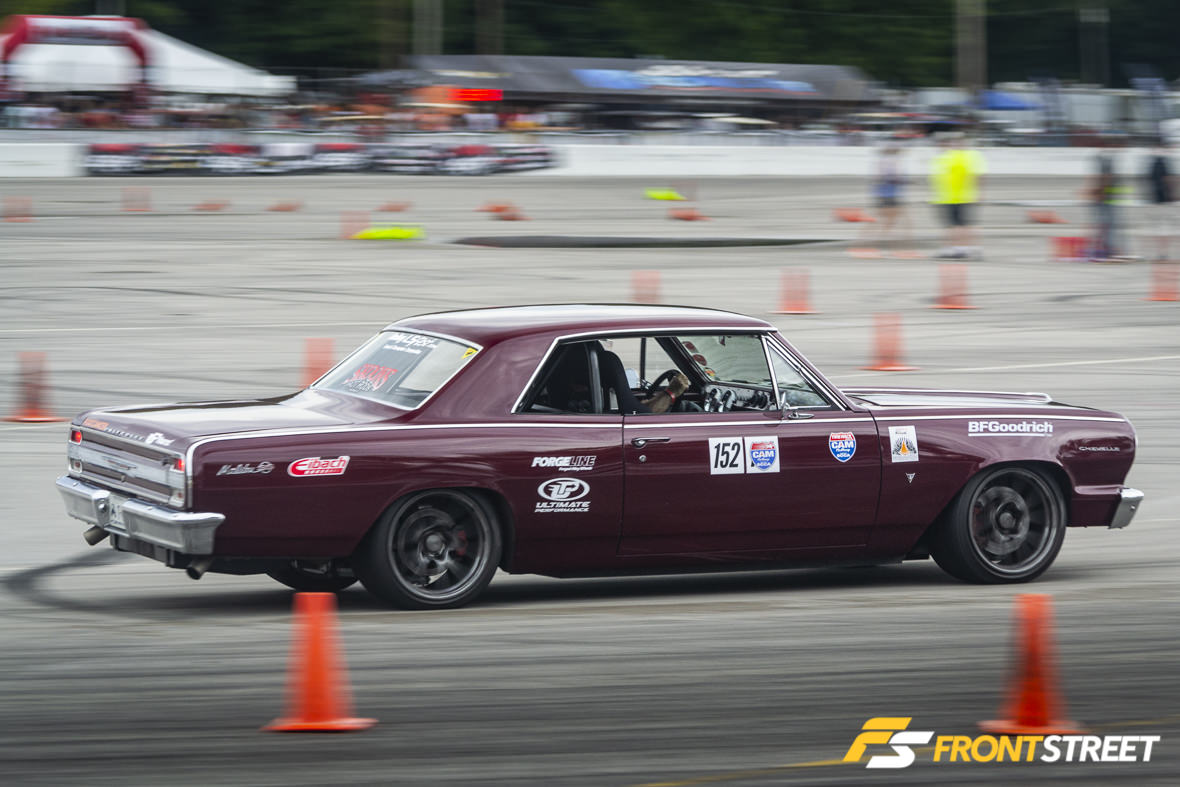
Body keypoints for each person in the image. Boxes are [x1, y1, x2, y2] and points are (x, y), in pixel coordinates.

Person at [929, 133, 986, 259]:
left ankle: (963, 248)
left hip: (959, 197)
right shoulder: (945, 157)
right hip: (947, 197)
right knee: (955, 225)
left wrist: (979, 193)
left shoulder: (963, 157)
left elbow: (977, 175)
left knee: (959, 225)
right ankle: (958, 248)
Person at [1144, 143, 1175, 261]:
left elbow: (1151, 180)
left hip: (1158, 200)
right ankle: (1163, 252)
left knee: (1160, 228)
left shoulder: (1154, 163)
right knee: (1163, 228)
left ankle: (1162, 252)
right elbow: (1168, 179)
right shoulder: (1163, 163)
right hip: (1162, 200)